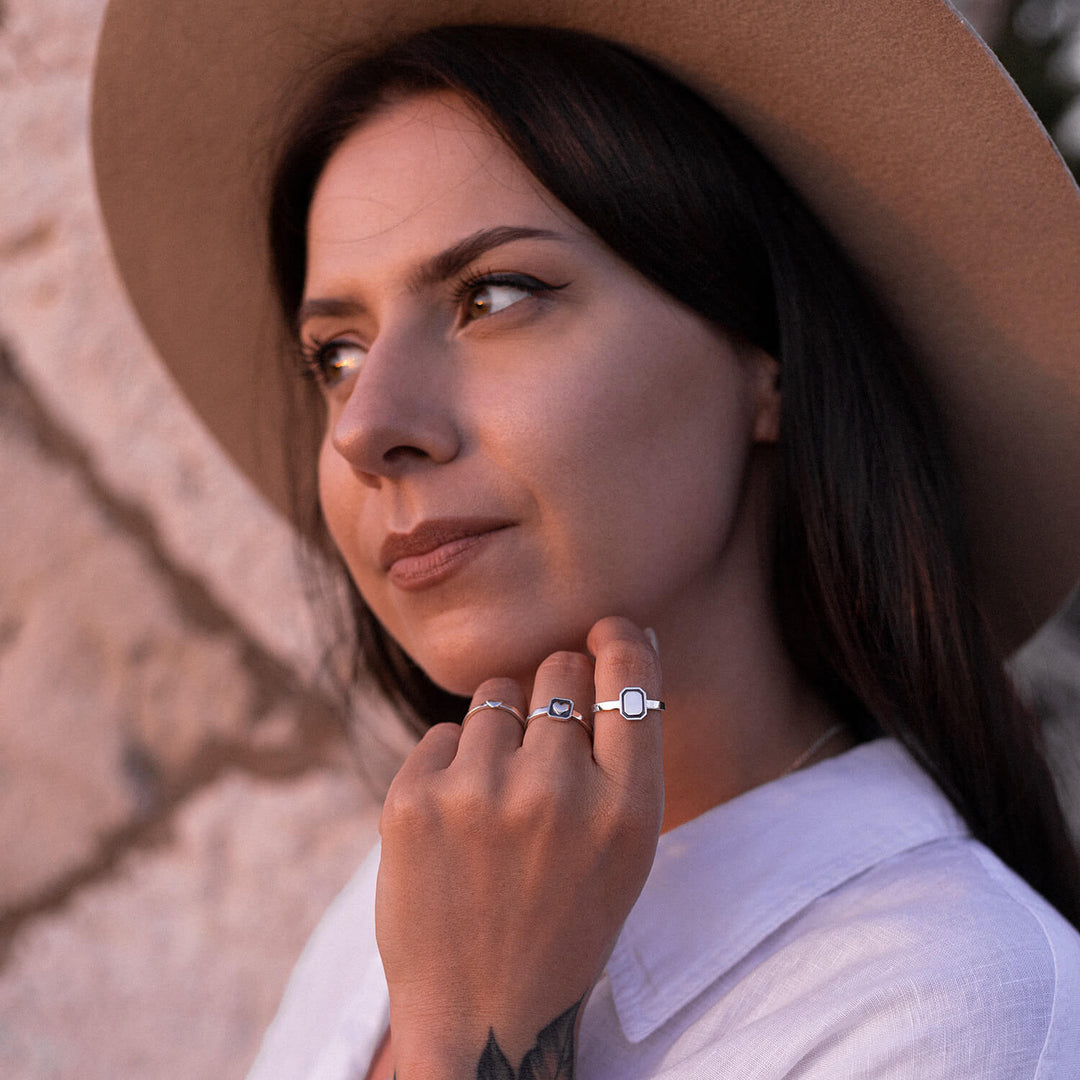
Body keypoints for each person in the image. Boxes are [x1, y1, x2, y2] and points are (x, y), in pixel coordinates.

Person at [90, 1, 1080, 1077]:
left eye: (495, 294)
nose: (368, 426)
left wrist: (473, 1044)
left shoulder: (963, 1007)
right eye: (335, 353)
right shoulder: (406, 908)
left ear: (770, 362)